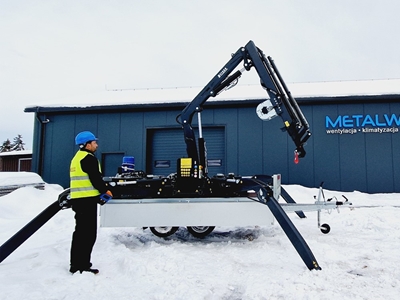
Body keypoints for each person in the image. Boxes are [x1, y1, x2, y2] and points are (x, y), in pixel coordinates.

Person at [69, 131, 113, 274]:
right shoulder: (89, 158)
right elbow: (95, 178)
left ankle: (76, 264)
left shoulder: (77, 157)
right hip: (86, 202)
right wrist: (105, 190)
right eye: (94, 143)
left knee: (80, 234)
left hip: (79, 200)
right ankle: (82, 266)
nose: (96, 145)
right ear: (87, 144)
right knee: (88, 235)